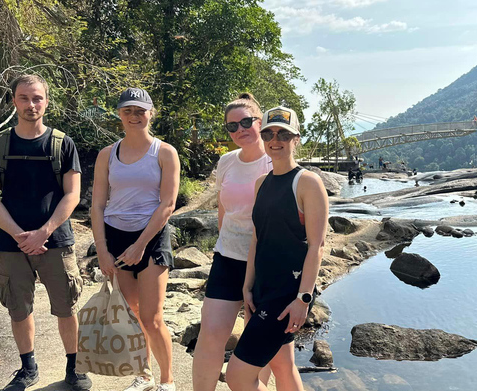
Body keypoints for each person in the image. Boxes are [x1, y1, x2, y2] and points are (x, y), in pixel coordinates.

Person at [0, 74, 91, 391]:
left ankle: (74, 367)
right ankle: (28, 368)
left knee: (66, 307)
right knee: (18, 307)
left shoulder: (62, 144)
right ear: (14, 101)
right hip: (10, 244)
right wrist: (18, 235)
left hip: (56, 242)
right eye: (24, 98)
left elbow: (72, 194)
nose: (31, 104)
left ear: (46, 101)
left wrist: (44, 231)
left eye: (37, 98)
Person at [226, 106, 329, 391]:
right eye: (269, 133)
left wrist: (303, 299)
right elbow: (257, 239)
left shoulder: (308, 182)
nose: (276, 139)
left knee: (237, 377)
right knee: (283, 366)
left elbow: (317, 246)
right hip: (261, 290)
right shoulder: (262, 183)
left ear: (296, 139)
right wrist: (247, 287)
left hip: (287, 297)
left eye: (284, 133)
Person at [90, 88, 180, 391]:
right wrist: (102, 250)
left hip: (151, 238)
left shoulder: (165, 152)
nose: (134, 116)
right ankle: (144, 375)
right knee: (131, 314)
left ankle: (167, 381)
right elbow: (98, 205)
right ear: (119, 114)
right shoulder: (107, 154)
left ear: (150, 113)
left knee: (153, 316)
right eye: (128, 111)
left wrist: (140, 244)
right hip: (116, 237)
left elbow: (168, 204)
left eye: (140, 111)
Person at [192, 93, 273, 391]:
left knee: (257, 341)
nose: (239, 130)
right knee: (211, 333)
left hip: (265, 262)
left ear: (260, 121)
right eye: (231, 126)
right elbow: (223, 209)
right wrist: (221, 244)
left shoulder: (274, 161)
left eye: (246, 122)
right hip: (227, 257)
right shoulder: (226, 162)